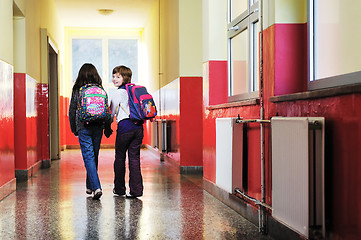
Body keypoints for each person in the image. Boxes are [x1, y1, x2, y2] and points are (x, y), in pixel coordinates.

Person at [68, 63, 112, 200]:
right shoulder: (100, 89)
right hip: (98, 125)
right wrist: (107, 127)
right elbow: (106, 110)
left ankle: (97, 187)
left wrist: (74, 128)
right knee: (94, 155)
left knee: (88, 157)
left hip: (83, 126)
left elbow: (72, 111)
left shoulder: (77, 89)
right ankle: (90, 186)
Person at [109, 65, 144, 198]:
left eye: (118, 76)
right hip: (138, 128)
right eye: (113, 76)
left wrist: (107, 126)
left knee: (120, 157)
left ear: (125, 78)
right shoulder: (135, 91)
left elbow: (111, 112)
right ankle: (136, 191)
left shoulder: (118, 93)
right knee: (134, 159)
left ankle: (119, 189)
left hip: (125, 128)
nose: (114, 79)